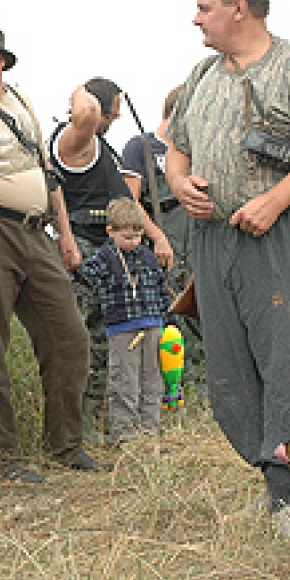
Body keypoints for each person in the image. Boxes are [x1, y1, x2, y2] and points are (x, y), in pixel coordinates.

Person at [164, 0, 290, 545]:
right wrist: (179, 182)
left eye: (205, 7)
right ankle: (271, 474)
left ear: (238, 8)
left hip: (277, 237)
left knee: (286, 366)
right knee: (228, 374)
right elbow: (176, 147)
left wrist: (274, 201)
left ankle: (286, 497)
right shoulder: (201, 75)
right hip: (211, 240)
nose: (196, 18)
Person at [0, 22, 110, 483]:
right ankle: (6, 455)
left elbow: (46, 170)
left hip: (36, 231)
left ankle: (65, 445)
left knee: (69, 335)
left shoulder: (21, 100)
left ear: (1, 61)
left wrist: (65, 233)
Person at [49, 78, 171, 444]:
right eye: (111, 115)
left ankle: (99, 423)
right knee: (78, 340)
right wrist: (83, 93)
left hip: (107, 250)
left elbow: (127, 203)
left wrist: (155, 237)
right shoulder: (75, 142)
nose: (112, 122)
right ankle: (72, 428)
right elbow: (86, 112)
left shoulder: (104, 150)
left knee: (104, 342)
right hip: (82, 252)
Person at [120, 86, 204, 391]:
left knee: (198, 322)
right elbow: (129, 202)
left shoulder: (198, 151)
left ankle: (197, 392)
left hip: (195, 244)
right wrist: (158, 238)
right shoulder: (140, 147)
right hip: (158, 250)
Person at [74, 197, 172, 444]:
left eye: (138, 236)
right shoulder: (105, 257)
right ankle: (124, 433)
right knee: (124, 382)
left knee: (152, 381)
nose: (133, 242)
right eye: (127, 237)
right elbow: (85, 276)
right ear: (111, 231)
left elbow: (161, 290)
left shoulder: (147, 256)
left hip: (152, 325)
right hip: (122, 329)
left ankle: (149, 431)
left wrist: (169, 321)